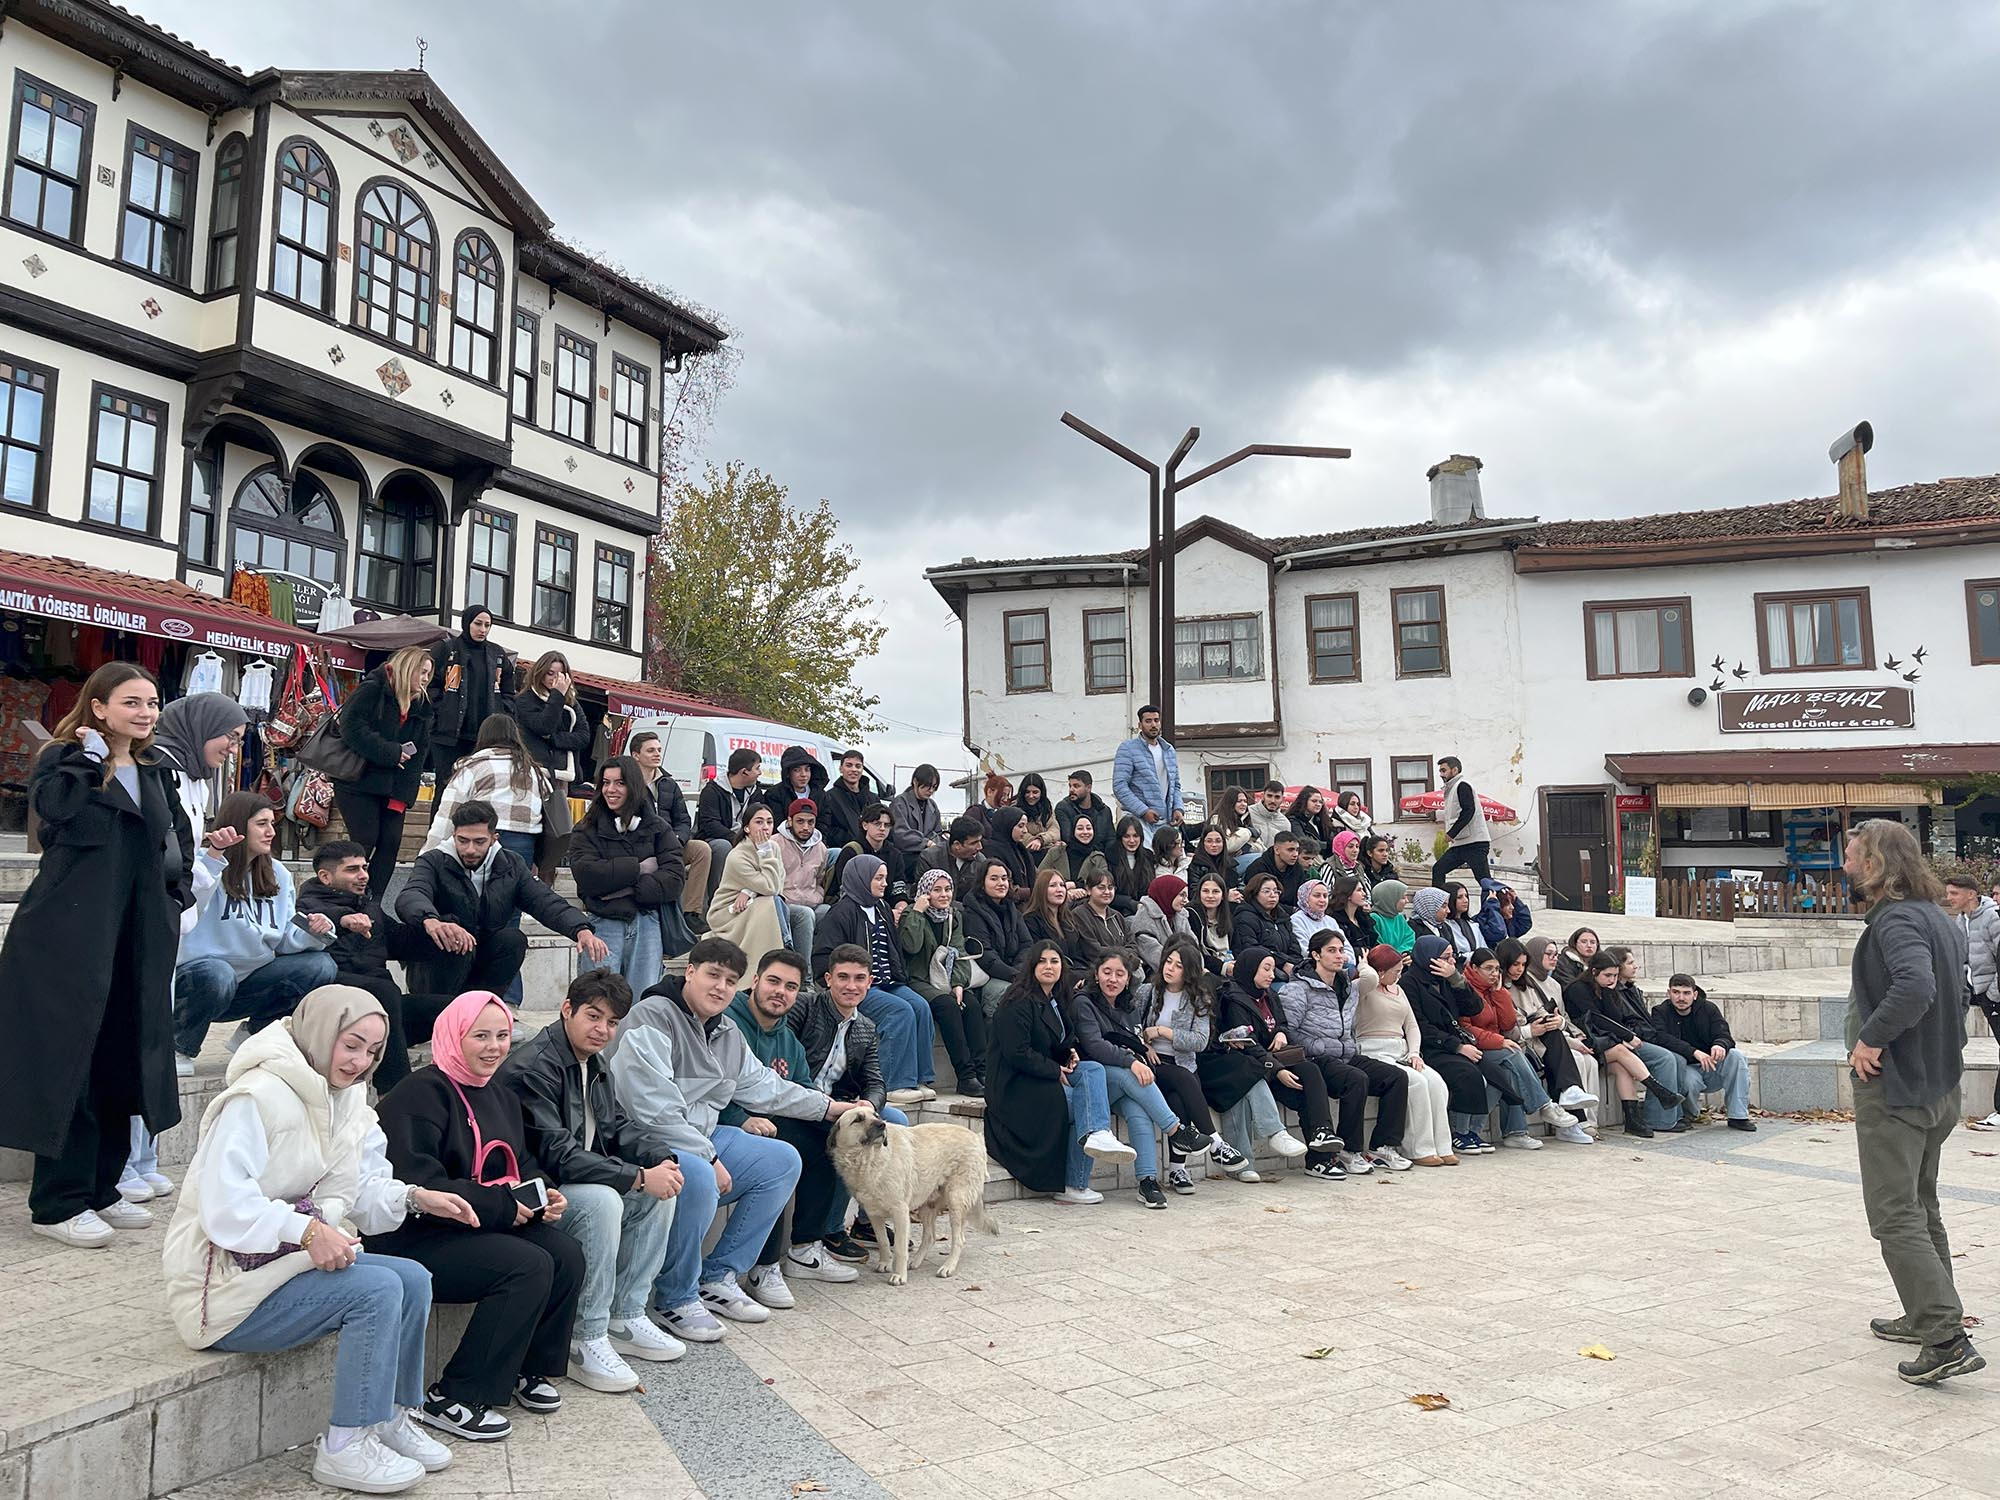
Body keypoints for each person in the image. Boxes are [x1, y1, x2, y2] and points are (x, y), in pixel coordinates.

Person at [163, 986, 472, 1493]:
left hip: (281, 1268)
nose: (360, 1062)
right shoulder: (255, 1097)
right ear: (320, 1031)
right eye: (351, 1044)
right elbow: (225, 1207)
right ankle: (345, 1446)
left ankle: (388, 1417)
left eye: (373, 1051)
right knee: (376, 1292)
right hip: (221, 1291)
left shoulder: (348, 1099)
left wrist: (416, 1197)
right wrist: (306, 1229)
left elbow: (359, 1191)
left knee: (413, 1278)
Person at [0, 664, 194, 1248]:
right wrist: (88, 761)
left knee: (123, 1057)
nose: (144, 712)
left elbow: (176, 840)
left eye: (152, 702)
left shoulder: (158, 770)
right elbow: (54, 820)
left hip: (137, 937)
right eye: (130, 702)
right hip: (67, 939)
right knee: (74, 1063)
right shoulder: (64, 762)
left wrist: (172, 896)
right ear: (99, 707)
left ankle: (102, 1187)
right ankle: (57, 1202)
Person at [611, 938, 864, 1341]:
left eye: (730, 981)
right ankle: (675, 1298)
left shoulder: (726, 1030)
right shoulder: (652, 1017)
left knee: (781, 1159)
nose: (721, 987)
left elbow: (767, 1087)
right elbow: (652, 1111)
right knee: (693, 1170)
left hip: (701, 1138)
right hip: (645, 1144)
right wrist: (709, 1157)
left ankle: (719, 1275)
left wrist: (831, 1108)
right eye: (713, 975)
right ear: (689, 972)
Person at [369, 991, 583, 1439]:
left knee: (566, 1253)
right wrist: (503, 1206)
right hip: (415, 1236)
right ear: (452, 1035)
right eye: (480, 1036)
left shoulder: (499, 1094)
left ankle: (527, 1366)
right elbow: (420, 1183)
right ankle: (454, 1395)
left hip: (477, 1224)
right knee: (527, 1265)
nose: (494, 1047)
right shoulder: (417, 1094)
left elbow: (520, 1165)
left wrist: (543, 1195)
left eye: (503, 1036)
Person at [1840, 820, 1984, 1384]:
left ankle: (1944, 1337)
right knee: (1922, 1208)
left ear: (1874, 863)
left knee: (1895, 1214)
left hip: (1898, 1090)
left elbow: (1916, 987)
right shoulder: (1937, 916)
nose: (1846, 866)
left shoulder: (1897, 918)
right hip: (1937, 1087)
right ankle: (1926, 1314)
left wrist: (1870, 1039)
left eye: (1852, 856)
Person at [496, 969, 687, 1391]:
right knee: (606, 1201)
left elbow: (618, 1125)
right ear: (567, 1010)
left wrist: (661, 1159)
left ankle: (626, 1315)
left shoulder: (594, 1062)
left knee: (663, 1192)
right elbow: (558, 1155)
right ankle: (585, 1337)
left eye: (613, 1022)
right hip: (539, 1190)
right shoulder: (535, 1067)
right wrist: (637, 1176)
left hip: (577, 1177)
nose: (603, 1030)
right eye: (593, 1016)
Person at [119, 691, 247, 1204]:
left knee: (151, 1045)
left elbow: (187, 864)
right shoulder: (161, 770)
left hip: (171, 926)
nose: (233, 750)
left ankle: (141, 1157)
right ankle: (124, 1162)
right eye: (229, 737)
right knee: (136, 1045)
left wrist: (212, 855)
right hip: (147, 926)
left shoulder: (192, 777)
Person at [721, 950, 869, 1291]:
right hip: (729, 1123)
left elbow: (802, 1090)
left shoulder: (788, 1038)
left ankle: (805, 1248)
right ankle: (764, 1265)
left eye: (790, 986)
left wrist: (835, 1110)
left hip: (774, 1120)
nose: (780, 992)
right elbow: (711, 1086)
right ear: (755, 981)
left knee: (831, 1136)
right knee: (773, 1152)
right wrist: (740, 1117)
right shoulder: (728, 1023)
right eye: (773, 981)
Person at [175, 792, 340, 1069]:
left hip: (249, 982)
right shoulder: (204, 863)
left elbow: (284, 935)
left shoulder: (278, 873)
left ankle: (254, 1034)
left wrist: (316, 931)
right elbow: (187, 903)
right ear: (239, 825)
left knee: (320, 965)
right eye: (261, 824)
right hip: (197, 980)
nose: (271, 832)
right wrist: (215, 857)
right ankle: (179, 1046)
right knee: (218, 973)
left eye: (272, 824)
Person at [395, 800, 610, 997]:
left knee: (512, 940)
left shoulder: (511, 865)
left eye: (479, 841)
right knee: (455, 936)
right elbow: (412, 894)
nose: (470, 849)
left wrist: (581, 929)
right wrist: (430, 920)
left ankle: (485, 1006)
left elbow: (544, 901)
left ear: (493, 838)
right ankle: (440, 1012)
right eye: (463, 841)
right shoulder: (433, 861)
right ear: (453, 836)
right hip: (437, 966)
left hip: (482, 959)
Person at [982, 941, 1137, 1205]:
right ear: (1032, 966)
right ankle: (1073, 1182)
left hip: (1040, 1074)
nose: (1048, 967)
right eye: (1042, 961)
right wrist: (1054, 1069)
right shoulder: (1016, 1001)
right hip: (1015, 1085)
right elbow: (1017, 1053)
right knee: (1082, 1107)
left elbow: (1056, 1041)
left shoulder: (1054, 999)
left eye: (1054, 961)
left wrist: (1069, 1053)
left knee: (1092, 1069)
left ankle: (1097, 1136)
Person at [1067, 948, 1214, 1208]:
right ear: (1097, 975)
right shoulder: (1084, 1002)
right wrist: (1131, 1061)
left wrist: (1140, 1052)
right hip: (1090, 1078)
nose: (1113, 979)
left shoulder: (1128, 1005)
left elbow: (1133, 1040)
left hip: (1116, 1081)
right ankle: (1176, 1129)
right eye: (1107, 972)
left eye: (1120, 974)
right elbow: (1094, 1045)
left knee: (1139, 1110)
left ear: (1127, 979)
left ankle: (1147, 1181)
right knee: (1130, 1076)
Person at [297, 841, 446, 1096]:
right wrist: (342, 922)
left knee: (456, 1009)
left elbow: (402, 942)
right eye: (352, 869)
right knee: (382, 992)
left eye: (364, 867)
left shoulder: (369, 906)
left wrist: (442, 928)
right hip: (336, 1013)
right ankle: (395, 1092)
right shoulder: (307, 908)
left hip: (384, 1012)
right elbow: (314, 935)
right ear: (325, 876)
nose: (363, 875)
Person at [788, 944, 901, 1265]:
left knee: (896, 1122)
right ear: (828, 979)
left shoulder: (865, 1027)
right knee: (849, 1138)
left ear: (870, 983)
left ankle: (868, 1218)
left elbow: (876, 1081)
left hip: (843, 1106)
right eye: (843, 978)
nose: (851, 986)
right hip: (802, 1102)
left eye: (859, 979)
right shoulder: (805, 1008)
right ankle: (832, 1228)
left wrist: (871, 1103)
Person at [1280, 930, 1414, 1172]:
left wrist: (1363, 967)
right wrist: (1319, 1045)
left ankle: (1383, 1146)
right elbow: (1288, 1031)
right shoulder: (1298, 989)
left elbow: (1370, 980)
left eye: (1341, 950)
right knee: (1356, 1079)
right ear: (1315, 955)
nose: (1339, 956)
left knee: (1395, 1076)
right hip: (1317, 1057)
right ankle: (1348, 1150)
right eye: (1331, 950)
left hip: (1346, 1054)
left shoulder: (1348, 987)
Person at [811, 853, 938, 1104]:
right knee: (899, 1011)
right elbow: (821, 958)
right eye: (878, 878)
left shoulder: (880, 908)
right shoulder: (841, 913)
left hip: (888, 982)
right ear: (862, 878)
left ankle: (919, 1077)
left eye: (885, 878)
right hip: (859, 987)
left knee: (921, 1006)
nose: (885, 884)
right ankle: (892, 1082)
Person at [1137, 938, 1251, 1192]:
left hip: (1181, 1064)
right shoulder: (1147, 992)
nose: (1170, 969)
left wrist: (1164, 1032)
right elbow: (1131, 1028)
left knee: (1180, 1098)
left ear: (1188, 972)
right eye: (1168, 962)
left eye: (1178, 966)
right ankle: (1215, 1143)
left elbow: (1199, 1042)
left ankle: (1177, 1170)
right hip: (1151, 1062)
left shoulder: (1199, 999)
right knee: (1186, 1081)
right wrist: (1144, 1044)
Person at [567, 758, 683, 993]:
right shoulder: (586, 829)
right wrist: (638, 869)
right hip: (603, 923)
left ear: (633, 786)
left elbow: (674, 878)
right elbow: (587, 876)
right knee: (597, 998)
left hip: (647, 923)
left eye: (619, 783)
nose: (611, 790)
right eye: (606, 783)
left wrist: (630, 888)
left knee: (643, 1000)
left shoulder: (658, 827)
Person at [1216, 948, 1337, 1173]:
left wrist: (1281, 1032)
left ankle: (1322, 1140)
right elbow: (1248, 1044)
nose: (1272, 975)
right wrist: (1278, 1070)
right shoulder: (1233, 999)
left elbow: (1281, 1023)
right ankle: (1294, 1146)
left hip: (1271, 1061)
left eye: (1273, 968)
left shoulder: (1269, 994)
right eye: (1266, 969)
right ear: (1250, 969)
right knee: (1287, 1092)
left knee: (1310, 1071)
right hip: (1251, 1067)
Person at [332, 645, 433, 900]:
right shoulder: (374, 687)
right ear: (407, 668)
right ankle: (342, 896)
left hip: (394, 787)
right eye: (421, 672)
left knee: (390, 844)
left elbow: (419, 752)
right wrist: (390, 753)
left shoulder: (421, 704)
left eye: (428, 674)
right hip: (358, 781)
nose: (425, 679)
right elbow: (351, 727)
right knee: (364, 841)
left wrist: (405, 795)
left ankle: (372, 902)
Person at [1458, 948, 1584, 1148]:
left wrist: (1500, 992)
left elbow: (1507, 1024)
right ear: (1474, 968)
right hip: (1474, 1047)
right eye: (1488, 968)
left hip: (1493, 1047)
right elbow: (1466, 1027)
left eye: (1497, 969)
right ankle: (1543, 1105)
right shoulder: (1464, 989)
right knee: (1512, 1053)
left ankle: (1514, 1132)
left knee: (1509, 1072)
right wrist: (1498, 1041)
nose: (1494, 973)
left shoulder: (1494, 990)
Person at [1563, 952, 1699, 1138]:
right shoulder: (1578, 989)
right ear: (1594, 972)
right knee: (1622, 1051)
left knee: (1622, 1069)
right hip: (1588, 1042)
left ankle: (1633, 1121)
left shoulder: (1606, 988)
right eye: (1608, 975)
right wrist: (1627, 1036)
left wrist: (1610, 992)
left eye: (1615, 975)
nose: (1612, 979)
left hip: (1608, 1042)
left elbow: (1615, 1017)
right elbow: (1595, 1019)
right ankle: (1661, 1092)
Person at [1398, 935, 1502, 1154]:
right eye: (1446, 958)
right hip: (1432, 1047)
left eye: (1452, 957)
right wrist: (1457, 1046)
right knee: (1469, 1074)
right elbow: (1420, 1026)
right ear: (1430, 958)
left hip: (1453, 1043)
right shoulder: (1410, 982)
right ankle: (1460, 1133)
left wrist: (1457, 979)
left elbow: (1474, 1008)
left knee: (1499, 1077)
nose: (1452, 962)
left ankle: (1472, 1131)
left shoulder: (1446, 980)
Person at [1355, 947, 1455, 1166]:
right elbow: (1368, 978)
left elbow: (1411, 1025)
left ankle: (1442, 1145)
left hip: (1400, 1048)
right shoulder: (1365, 988)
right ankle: (1418, 1148)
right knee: (1416, 1083)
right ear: (1381, 971)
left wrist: (1414, 1053)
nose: (1399, 975)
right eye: (1395, 970)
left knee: (1436, 1082)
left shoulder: (1398, 990)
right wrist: (1364, 965)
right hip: (1373, 1049)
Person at [899, 869, 990, 1097]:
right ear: (925, 892)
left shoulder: (953, 916)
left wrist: (958, 983)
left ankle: (983, 1071)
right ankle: (966, 1076)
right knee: (947, 1007)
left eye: (947, 889)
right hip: (918, 979)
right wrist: (918, 913)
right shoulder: (911, 914)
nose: (944, 895)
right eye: (936, 890)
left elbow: (958, 951)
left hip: (945, 978)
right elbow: (911, 945)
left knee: (970, 1003)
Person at [420, 712, 548, 866]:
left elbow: (446, 816)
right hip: (525, 842)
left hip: (482, 839)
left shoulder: (474, 766)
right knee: (514, 888)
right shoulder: (533, 770)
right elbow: (548, 804)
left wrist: (427, 856)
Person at [508, 652, 592, 878]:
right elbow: (543, 725)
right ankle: (529, 877)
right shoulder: (525, 700)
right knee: (534, 827)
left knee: (556, 832)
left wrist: (556, 739)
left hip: (560, 775)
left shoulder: (572, 701)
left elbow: (584, 736)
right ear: (540, 673)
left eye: (560, 674)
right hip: (534, 771)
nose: (555, 678)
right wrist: (557, 696)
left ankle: (546, 884)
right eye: (550, 673)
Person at [1501, 937, 1600, 1122]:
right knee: (1574, 1056)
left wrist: (1556, 1022)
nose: (1519, 969)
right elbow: (1509, 1025)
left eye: (1523, 964)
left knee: (1587, 1060)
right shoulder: (1501, 988)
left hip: (1543, 1036)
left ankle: (1582, 1114)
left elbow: (1543, 1011)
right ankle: (1577, 1119)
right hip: (1522, 1041)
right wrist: (1533, 1029)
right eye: (1515, 964)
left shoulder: (1528, 984)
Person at [627, 730, 710, 936]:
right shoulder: (628, 784)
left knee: (702, 849)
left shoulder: (669, 783)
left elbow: (683, 819)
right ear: (636, 755)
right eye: (651, 750)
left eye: (659, 750)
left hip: (671, 844)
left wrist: (678, 839)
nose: (657, 754)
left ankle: (691, 912)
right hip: (641, 848)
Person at [1649, 974, 1755, 1130]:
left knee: (1736, 1056)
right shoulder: (1660, 1011)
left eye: (1686, 993)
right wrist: (1694, 1052)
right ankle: (1690, 1115)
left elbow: (1724, 1035)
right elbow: (1662, 1039)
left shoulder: (1708, 1009)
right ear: (1668, 993)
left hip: (1711, 1065)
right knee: (1688, 1080)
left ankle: (1738, 1116)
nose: (1681, 998)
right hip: (1686, 1067)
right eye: (1676, 992)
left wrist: (1720, 1044)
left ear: (1695, 994)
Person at [427, 605, 516, 773]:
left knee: (481, 788)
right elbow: (430, 684)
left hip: (486, 737)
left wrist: (503, 712)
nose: (483, 629)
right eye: (478, 623)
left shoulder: (498, 654)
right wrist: (441, 711)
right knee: (447, 784)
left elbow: (509, 691)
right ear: (467, 623)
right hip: (448, 734)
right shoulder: (446, 649)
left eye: (487, 625)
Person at [1942, 874, 2000, 1131]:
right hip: (1979, 993)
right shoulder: (1960, 920)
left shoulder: (1992, 917)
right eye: (1948, 893)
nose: (1949, 898)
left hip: (1992, 994)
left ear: (1971, 894)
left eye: (1954, 893)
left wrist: (1993, 992)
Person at [705, 801, 789, 972]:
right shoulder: (737, 855)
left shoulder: (774, 846)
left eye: (769, 822)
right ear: (746, 828)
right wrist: (764, 852)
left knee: (804, 914)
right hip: (729, 910)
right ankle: (785, 950)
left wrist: (749, 891)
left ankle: (806, 974)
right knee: (771, 902)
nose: (765, 827)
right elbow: (771, 888)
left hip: (755, 901)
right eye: (759, 822)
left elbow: (779, 883)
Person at [963, 858, 1033, 1016]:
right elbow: (985, 955)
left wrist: (1019, 971)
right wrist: (1015, 976)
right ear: (982, 883)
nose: (1001, 883)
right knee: (1018, 996)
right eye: (994, 879)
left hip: (1016, 974)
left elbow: (1027, 944)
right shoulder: (972, 912)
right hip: (987, 978)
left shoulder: (1011, 908)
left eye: (1004, 878)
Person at [696, 748, 764, 901]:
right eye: (757, 768)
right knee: (722, 847)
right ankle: (719, 900)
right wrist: (736, 839)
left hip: (746, 839)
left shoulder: (756, 792)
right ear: (744, 772)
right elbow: (710, 824)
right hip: (716, 839)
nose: (760, 773)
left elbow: (760, 818)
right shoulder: (712, 791)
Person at [775, 797, 829, 959]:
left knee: (829, 912)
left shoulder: (820, 848)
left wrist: (818, 896)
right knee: (805, 915)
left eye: (811, 822)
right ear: (789, 821)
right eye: (800, 821)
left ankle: (823, 969)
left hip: (811, 903)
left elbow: (820, 879)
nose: (806, 827)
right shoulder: (775, 843)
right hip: (784, 906)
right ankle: (805, 978)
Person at [1072, 859, 1144, 978]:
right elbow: (1093, 950)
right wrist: (1129, 959)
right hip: (1096, 972)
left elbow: (1131, 944)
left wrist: (1128, 959)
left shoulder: (1117, 916)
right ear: (1089, 890)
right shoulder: (1079, 915)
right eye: (1101, 888)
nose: (1107, 892)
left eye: (1110, 888)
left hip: (1124, 969)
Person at [1112, 705, 1182, 826]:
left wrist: (1178, 808)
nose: (1153, 725)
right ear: (1140, 725)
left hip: (1165, 821)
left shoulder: (1168, 749)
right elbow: (1119, 786)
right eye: (1148, 721)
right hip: (1138, 821)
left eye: (1156, 720)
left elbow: (1175, 785)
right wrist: (1143, 811)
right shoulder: (1128, 749)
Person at [828, 799, 915, 897]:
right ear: (865, 825)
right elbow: (846, 888)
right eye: (877, 824)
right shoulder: (851, 852)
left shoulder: (895, 855)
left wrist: (901, 905)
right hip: (853, 905)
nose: (882, 828)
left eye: (886, 825)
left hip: (886, 907)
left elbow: (898, 889)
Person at [1429, 755, 1492, 887]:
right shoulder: (1451, 789)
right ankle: (1439, 904)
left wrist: (1451, 833)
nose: (1441, 774)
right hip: (1460, 844)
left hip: (1475, 843)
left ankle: (1499, 905)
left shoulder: (1462, 785)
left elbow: (1469, 811)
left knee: (1484, 880)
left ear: (1455, 770)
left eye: (1444, 770)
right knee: (1438, 869)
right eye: (1440, 771)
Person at [1232, 873, 1304, 980]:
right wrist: (1283, 963)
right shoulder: (1245, 917)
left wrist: (1295, 964)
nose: (1273, 895)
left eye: (1276, 891)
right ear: (1254, 893)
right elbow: (1251, 948)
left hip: (1289, 970)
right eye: (1266, 891)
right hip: (1259, 974)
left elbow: (1294, 948)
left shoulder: (1283, 918)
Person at [1130, 873, 1192, 977]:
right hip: (1157, 977)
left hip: (1185, 973)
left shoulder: (1180, 915)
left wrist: (1197, 967)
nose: (1186, 900)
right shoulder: (1144, 921)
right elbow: (1158, 960)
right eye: (1182, 895)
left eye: (1186, 896)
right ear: (1168, 894)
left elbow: (1193, 946)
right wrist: (1191, 969)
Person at [1023, 866, 1083, 969]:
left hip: (1075, 971)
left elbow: (1079, 953)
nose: (1059, 890)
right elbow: (1038, 957)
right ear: (1042, 890)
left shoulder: (1068, 918)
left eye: (1062, 885)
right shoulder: (1031, 921)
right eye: (1052, 886)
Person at [1053, 769, 1116, 862]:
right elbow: (1068, 838)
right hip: (1074, 859)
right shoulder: (1063, 808)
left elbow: (1111, 839)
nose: (1071, 790)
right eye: (1070, 786)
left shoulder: (1104, 811)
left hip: (1100, 859)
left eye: (1076, 786)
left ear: (1088, 788)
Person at [817, 748, 873, 852]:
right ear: (841, 769)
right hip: (845, 852)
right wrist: (849, 839)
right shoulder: (829, 797)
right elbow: (827, 828)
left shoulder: (873, 799)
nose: (853, 769)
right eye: (849, 765)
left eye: (858, 766)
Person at [761, 744, 829, 828]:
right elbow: (776, 825)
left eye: (807, 769)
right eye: (797, 770)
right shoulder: (774, 795)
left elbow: (824, 824)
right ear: (788, 773)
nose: (803, 775)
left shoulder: (821, 795)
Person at [1242, 831, 1311, 913]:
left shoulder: (1298, 869)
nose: (1295, 854)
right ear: (1277, 850)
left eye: (1297, 850)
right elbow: (1255, 900)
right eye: (1290, 850)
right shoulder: (1258, 868)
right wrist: (1291, 910)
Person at [890, 764, 944, 863]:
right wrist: (926, 842)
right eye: (927, 786)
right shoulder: (900, 802)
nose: (931, 790)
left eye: (934, 787)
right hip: (906, 858)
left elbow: (938, 832)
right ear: (915, 782)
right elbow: (900, 834)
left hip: (928, 857)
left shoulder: (933, 806)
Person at [1189, 871, 1237, 980]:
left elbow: (1236, 946)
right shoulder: (1191, 915)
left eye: (1215, 891)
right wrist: (1223, 967)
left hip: (1230, 966)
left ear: (1223, 895)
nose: (1210, 896)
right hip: (1206, 971)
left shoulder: (1228, 916)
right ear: (1199, 893)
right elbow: (1196, 953)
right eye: (1205, 891)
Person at [923, 815, 988, 893]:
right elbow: (924, 893)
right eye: (973, 843)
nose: (980, 847)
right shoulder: (929, 858)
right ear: (957, 844)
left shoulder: (981, 862)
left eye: (980, 841)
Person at [1106, 815, 1156, 914]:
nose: (1132, 841)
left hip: (1145, 910)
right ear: (1120, 838)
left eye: (1135, 836)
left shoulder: (1148, 856)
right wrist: (1131, 904)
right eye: (1126, 836)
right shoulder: (1110, 856)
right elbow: (1107, 892)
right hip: (1118, 912)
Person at [1290, 879, 1344, 960]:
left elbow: (1346, 947)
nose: (1322, 900)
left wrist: (1344, 957)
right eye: (1317, 895)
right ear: (1305, 897)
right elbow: (1305, 950)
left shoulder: (1331, 921)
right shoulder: (1297, 920)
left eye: (1325, 896)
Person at [1187, 824, 1243, 903]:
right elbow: (1194, 894)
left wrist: (1237, 894)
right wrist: (1225, 895)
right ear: (1203, 843)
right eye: (1209, 841)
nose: (1214, 845)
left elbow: (1240, 886)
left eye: (1218, 841)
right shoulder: (1196, 865)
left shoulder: (1230, 864)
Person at [1331, 876, 1379, 957]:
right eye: (1359, 890)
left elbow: (1374, 943)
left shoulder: (1363, 919)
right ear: (1348, 894)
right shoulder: (1335, 920)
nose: (1364, 894)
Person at [1014, 772, 1060, 857]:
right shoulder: (1015, 809)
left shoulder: (1047, 807)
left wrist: (1041, 840)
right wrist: (1039, 843)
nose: (1031, 796)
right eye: (1027, 792)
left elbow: (1055, 830)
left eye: (1035, 792)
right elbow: (1021, 835)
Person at [1477, 880, 1532, 947]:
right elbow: (1498, 933)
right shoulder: (1481, 922)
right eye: (1507, 904)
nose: (1512, 907)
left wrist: (1517, 901)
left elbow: (1525, 923)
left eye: (1512, 903)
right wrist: (1492, 905)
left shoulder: (1507, 922)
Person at [1368, 878, 1417, 955]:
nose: (1407, 901)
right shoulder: (1375, 918)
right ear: (1390, 898)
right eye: (1403, 898)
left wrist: (1405, 952)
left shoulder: (1399, 918)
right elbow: (1379, 945)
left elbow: (1409, 938)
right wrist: (1396, 955)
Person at [1245, 780, 1291, 860]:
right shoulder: (1248, 813)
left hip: (1272, 865)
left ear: (1282, 799)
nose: (1273, 800)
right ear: (1263, 796)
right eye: (1269, 796)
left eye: (1277, 797)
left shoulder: (1285, 823)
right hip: (1248, 861)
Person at [1440, 883, 1485, 960]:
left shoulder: (1473, 925)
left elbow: (1484, 949)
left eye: (1466, 896)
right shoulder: (1444, 926)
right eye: (1459, 897)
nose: (1466, 900)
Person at [965, 771, 1014, 835]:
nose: (1005, 799)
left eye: (1007, 795)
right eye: (1002, 794)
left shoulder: (1005, 815)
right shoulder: (974, 812)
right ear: (990, 792)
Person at [1287, 785, 1335, 851]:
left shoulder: (1321, 821)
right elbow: (1302, 842)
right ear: (1304, 801)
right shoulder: (1294, 821)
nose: (1318, 804)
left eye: (1320, 802)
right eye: (1314, 801)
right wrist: (1328, 845)